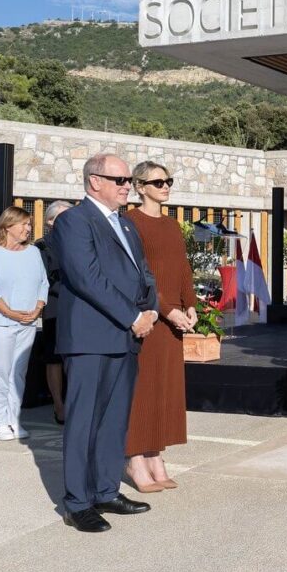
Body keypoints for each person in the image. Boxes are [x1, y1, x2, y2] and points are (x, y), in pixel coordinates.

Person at [52, 153, 159, 533]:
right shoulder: (73, 221)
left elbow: (143, 273)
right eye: (120, 179)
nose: (127, 185)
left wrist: (152, 312)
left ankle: (105, 490)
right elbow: (87, 278)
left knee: (114, 420)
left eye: (128, 179)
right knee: (83, 421)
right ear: (94, 181)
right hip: (91, 338)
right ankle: (77, 503)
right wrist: (133, 317)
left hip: (126, 337)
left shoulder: (126, 226)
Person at [123, 161, 197, 492]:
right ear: (139, 186)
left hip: (173, 322)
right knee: (142, 390)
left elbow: (182, 268)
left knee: (164, 389)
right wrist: (167, 309)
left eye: (168, 181)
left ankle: (156, 455)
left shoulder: (170, 226)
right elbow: (138, 274)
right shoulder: (129, 223)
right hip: (147, 318)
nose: (165, 186)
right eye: (157, 182)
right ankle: (135, 459)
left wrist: (191, 304)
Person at [0, 207, 48, 441]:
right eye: (24, 224)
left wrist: (37, 309)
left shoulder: (34, 252)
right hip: (0, 322)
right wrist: (10, 313)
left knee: (19, 373)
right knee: (0, 372)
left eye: (29, 224)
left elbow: (43, 283)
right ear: (7, 226)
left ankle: (14, 419)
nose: (28, 228)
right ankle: (0, 423)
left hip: (28, 322)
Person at [34, 200, 73, 425]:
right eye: (64, 216)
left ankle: (74, 402)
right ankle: (59, 405)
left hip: (79, 307)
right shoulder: (42, 247)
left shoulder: (80, 242)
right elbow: (43, 279)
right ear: (50, 221)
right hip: (55, 307)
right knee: (54, 358)